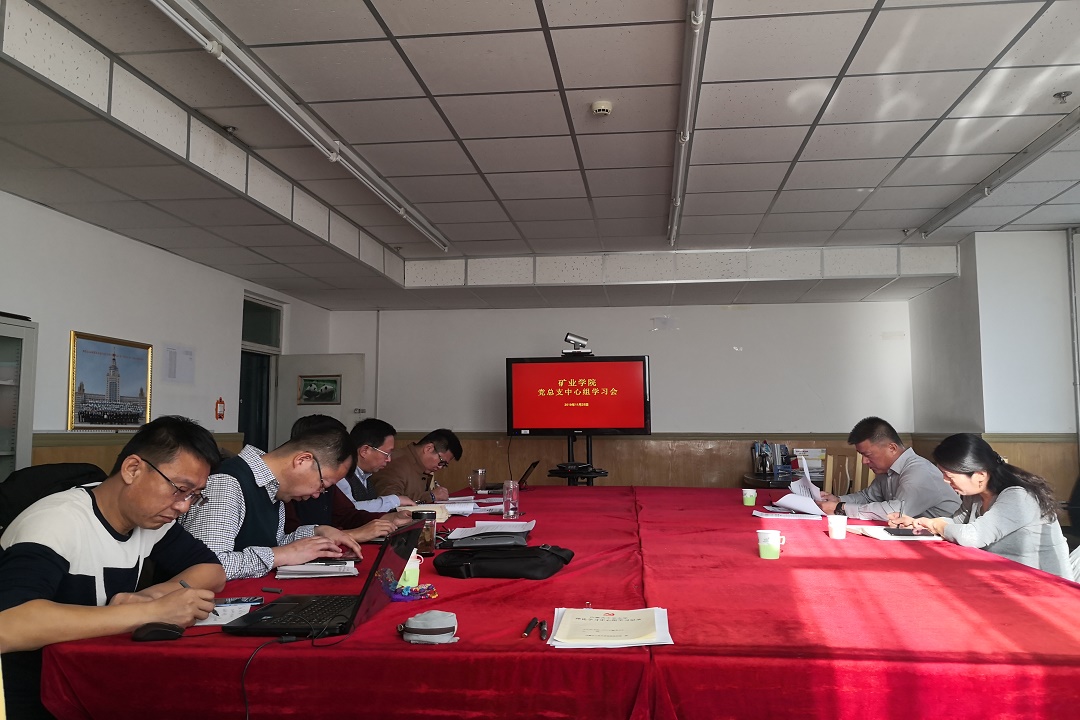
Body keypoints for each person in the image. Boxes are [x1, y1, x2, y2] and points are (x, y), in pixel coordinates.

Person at [0, 416, 226, 719]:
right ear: (132, 469)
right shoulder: (56, 522)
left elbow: (212, 570)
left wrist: (151, 596)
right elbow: (9, 624)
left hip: (92, 682)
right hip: (36, 696)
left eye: (193, 496)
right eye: (179, 489)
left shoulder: (149, 520)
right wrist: (150, 612)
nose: (183, 506)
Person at [181, 416, 371, 581]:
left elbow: (273, 543)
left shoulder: (273, 487)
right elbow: (207, 566)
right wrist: (280, 555)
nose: (316, 494)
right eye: (322, 485)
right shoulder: (226, 483)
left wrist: (317, 532)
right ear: (303, 460)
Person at [892, 433, 1073, 580]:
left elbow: (971, 536)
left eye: (949, 476)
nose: (945, 481)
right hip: (1004, 577)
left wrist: (936, 525)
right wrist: (922, 523)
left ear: (979, 475)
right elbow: (956, 524)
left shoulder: (1019, 497)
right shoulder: (975, 495)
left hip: (1044, 585)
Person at [817, 416, 960, 520]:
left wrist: (841, 508)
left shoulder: (919, 472)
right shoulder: (887, 471)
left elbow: (896, 512)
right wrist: (837, 499)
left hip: (945, 541)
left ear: (892, 448)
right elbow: (868, 497)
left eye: (867, 455)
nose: (864, 461)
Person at [339, 418, 415, 512]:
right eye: (386, 453)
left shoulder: (366, 477)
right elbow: (348, 510)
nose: (389, 459)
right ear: (364, 451)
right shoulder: (341, 477)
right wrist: (394, 500)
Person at [369, 428, 462, 503]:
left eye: (444, 465)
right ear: (428, 448)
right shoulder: (394, 463)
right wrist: (430, 496)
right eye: (441, 462)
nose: (440, 467)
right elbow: (389, 503)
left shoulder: (420, 465)